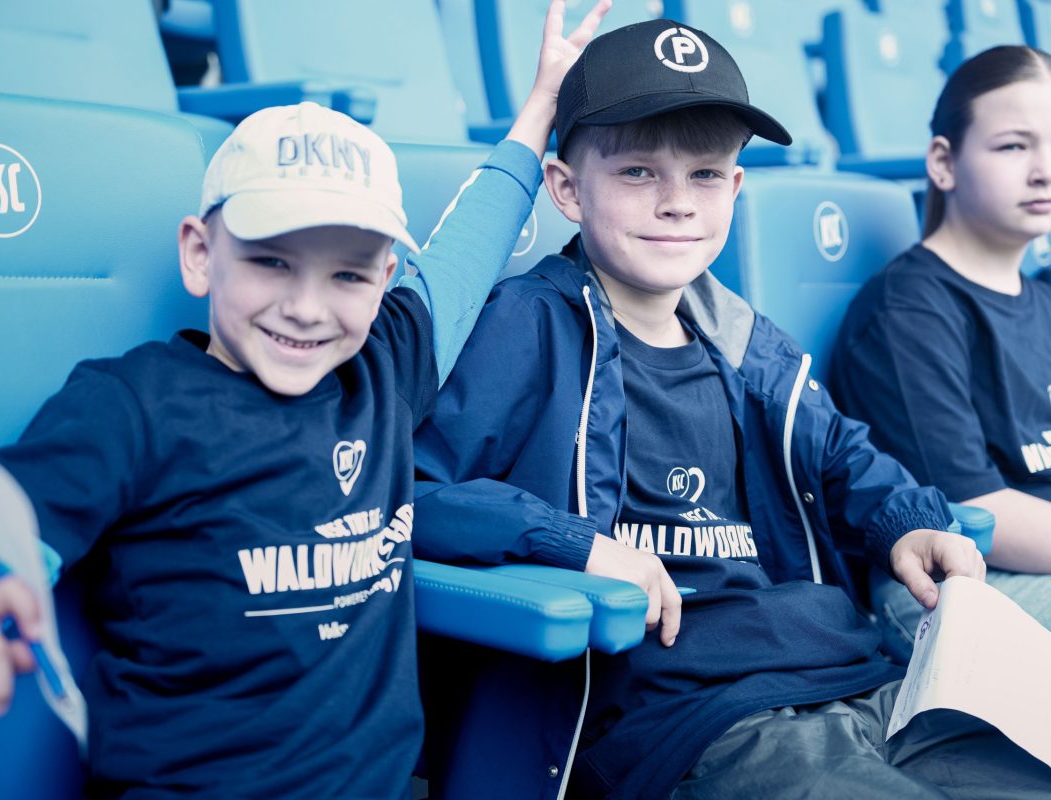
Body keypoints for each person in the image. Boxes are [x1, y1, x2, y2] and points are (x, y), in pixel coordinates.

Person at [0, 2, 612, 797]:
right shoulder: (134, 407)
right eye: (271, 262)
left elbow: (465, 252)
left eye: (347, 274)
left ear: (384, 280)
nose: (307, 308)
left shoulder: (386, 364)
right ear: (199, 253)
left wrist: (541, 107)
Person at [412, 19, 1049, 800]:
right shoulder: (527, 326)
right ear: (567, 188)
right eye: (639, 172)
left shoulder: (744, 339)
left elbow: (846, 457)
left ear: (736, 189)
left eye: (706, 174)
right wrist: (572, 543)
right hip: (686, 716)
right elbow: (409, 493)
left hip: (851, 676)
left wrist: (907, 522)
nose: (678, 203)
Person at [830, 45, 1051, 653]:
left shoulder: (1043, 297)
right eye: (1014, 146)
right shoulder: (906, 310)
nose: (1043, 170)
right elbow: (976, 509)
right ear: (943, 163)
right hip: (957, 584)